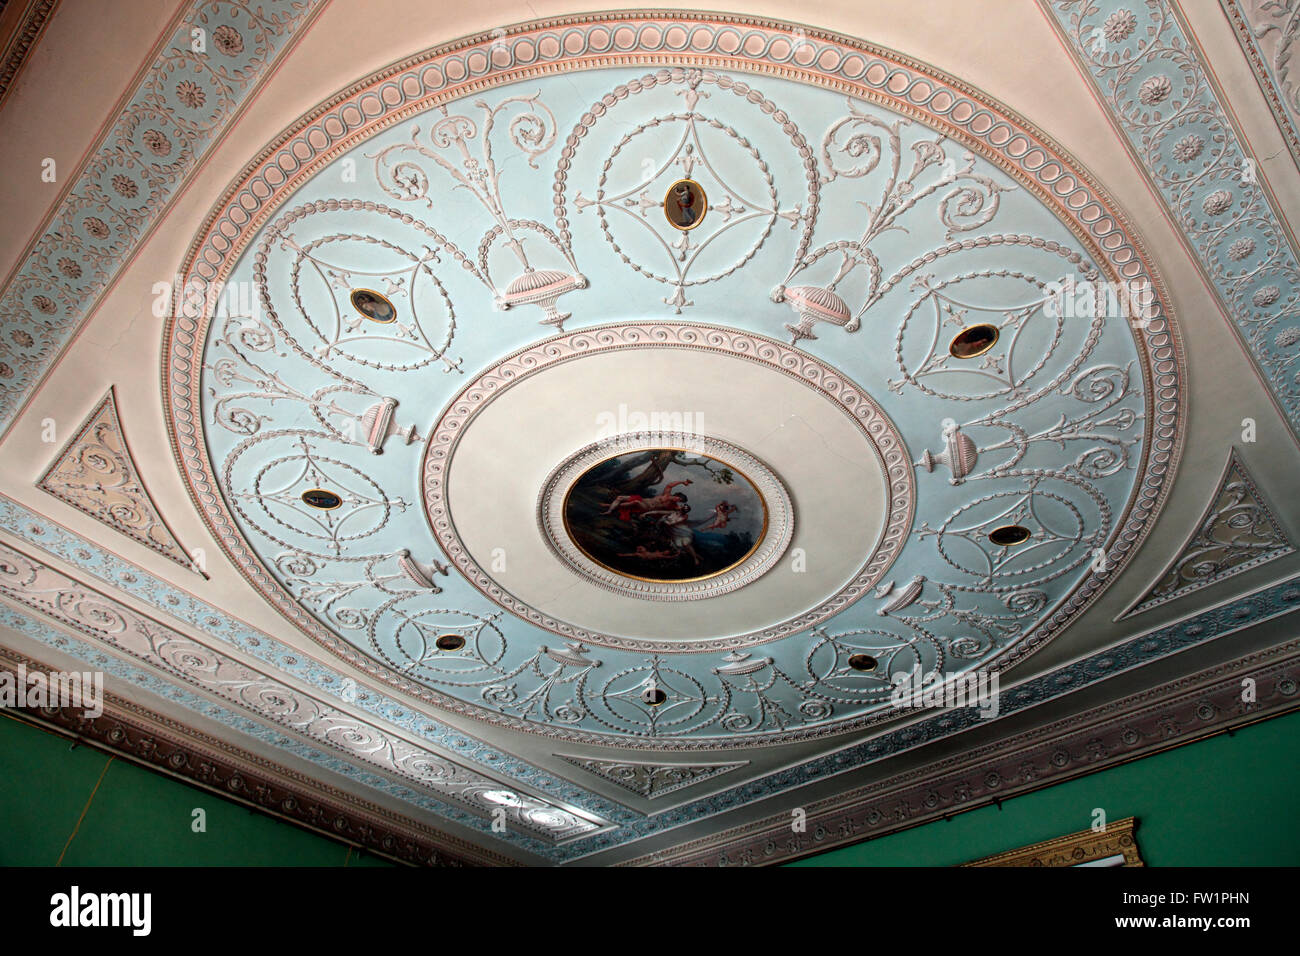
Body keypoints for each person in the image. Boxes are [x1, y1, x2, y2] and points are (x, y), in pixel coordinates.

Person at [603, 479, 692, 521]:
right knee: (620, 497)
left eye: (680, 501)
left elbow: (681, 511)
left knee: (635, 502)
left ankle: (610, 509)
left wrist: (684, 512)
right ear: (677, 496)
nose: (678, 501)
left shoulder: (674, 506)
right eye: (679, 499)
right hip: (643, 500)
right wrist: (682, 482)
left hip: (646, 507)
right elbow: (669, 485)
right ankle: (609, 510)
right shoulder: (666, 495)